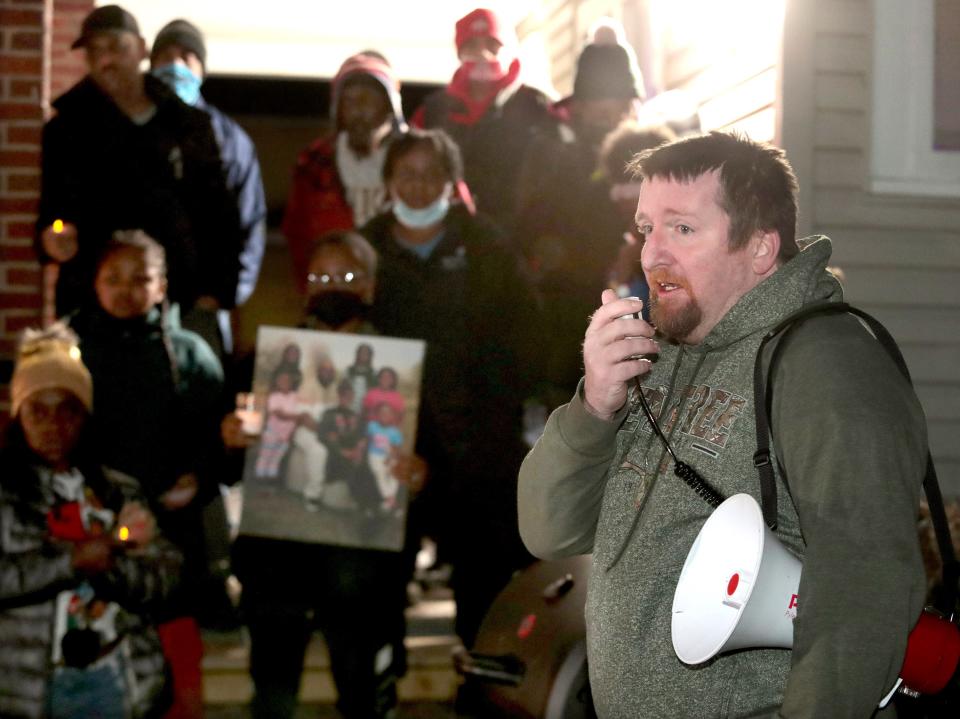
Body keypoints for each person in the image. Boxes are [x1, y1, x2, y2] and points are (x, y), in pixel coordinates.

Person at [517, 131, 929, 717]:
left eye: (682, 229)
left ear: (760, 249)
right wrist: (594, 411)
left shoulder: (826, 364)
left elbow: (864, 589)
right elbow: (549, 532)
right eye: (646, 229)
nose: (654, 253)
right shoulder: (656, 355)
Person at [222, 231, 415, 719]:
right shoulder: (261, 365)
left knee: (362, 696)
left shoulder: (402, 368)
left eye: (347, 276)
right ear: (304, 286)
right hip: (276, 565)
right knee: (272, 695)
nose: (333, 286)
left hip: (363, 563)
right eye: (321, 276)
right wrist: (228, 439)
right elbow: (227, 463)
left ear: (370, 286)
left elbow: (426, 460)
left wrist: (419, 473)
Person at [361, 127, 537, 648]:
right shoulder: (364, 247)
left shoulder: (488, 245)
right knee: (381, 568)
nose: (418, 186)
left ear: (450, 181)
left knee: (482, 565)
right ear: (388, 181)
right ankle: (380, 675)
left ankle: (477, 680)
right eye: (406, 174)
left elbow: (524, 331)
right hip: (389, 432)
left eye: (431, 175)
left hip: (476, 432)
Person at [66, 230, 225, 718]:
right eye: (112, 278)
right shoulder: (68, 347)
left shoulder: (190, 353)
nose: (125, 290)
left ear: (161, 287)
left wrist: (198, 479)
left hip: (173, 534)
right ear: (94, 282)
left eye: (141, 279)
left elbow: (217, 438)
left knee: (176, 663)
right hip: (92, 529)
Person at [0, 324, 181, 718]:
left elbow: (165, 578)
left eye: (69, 410)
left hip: (114, 673)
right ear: (18, 414)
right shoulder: (6, 493)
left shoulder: (118, 490)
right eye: (38, 410)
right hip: (26, 687)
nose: (54, 426)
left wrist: (115, 559)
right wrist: (70, 562)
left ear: (86, 416)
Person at [35, 5, 243, 319]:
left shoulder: (187, 125)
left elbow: (219, 216)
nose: (107, 60)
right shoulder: (67, 131)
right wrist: (53, 238)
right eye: (95, 52)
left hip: (176, 298)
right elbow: (53, 211)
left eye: (118, 47)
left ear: (141, 50)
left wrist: (215, 291)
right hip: (93, 300)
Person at [514, 38, 648, 411]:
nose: (608, 123)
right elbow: (529, 229)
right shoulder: (553, 156)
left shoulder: (649, 155)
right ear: (580, 109)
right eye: (599, 112)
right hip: (569, 318)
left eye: (618, 112)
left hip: (640, 312)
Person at [149, 17, 268, 358]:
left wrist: (226, 293)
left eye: (187, 58)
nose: (175, 65)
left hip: (202, 307)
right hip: (138, 301)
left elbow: (250, 221)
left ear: (202, 70)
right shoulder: (133, 127)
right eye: (166, 56)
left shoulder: (230, 139)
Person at [412, 7, 561, 230]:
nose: (483, 54)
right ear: (459, 52)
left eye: (492, 45)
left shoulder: (539, 107)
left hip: (522, 237)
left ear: (509, 49)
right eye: (471, 45)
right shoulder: (433, 110)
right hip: (449, 236)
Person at [282, 51, 407, 290]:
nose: (358, 110)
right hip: (337, 294)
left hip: (402, 294)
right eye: (348, 101)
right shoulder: (314, 163)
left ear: (390, 104)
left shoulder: (421, 158)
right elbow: (297, 235)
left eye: (368, 100)